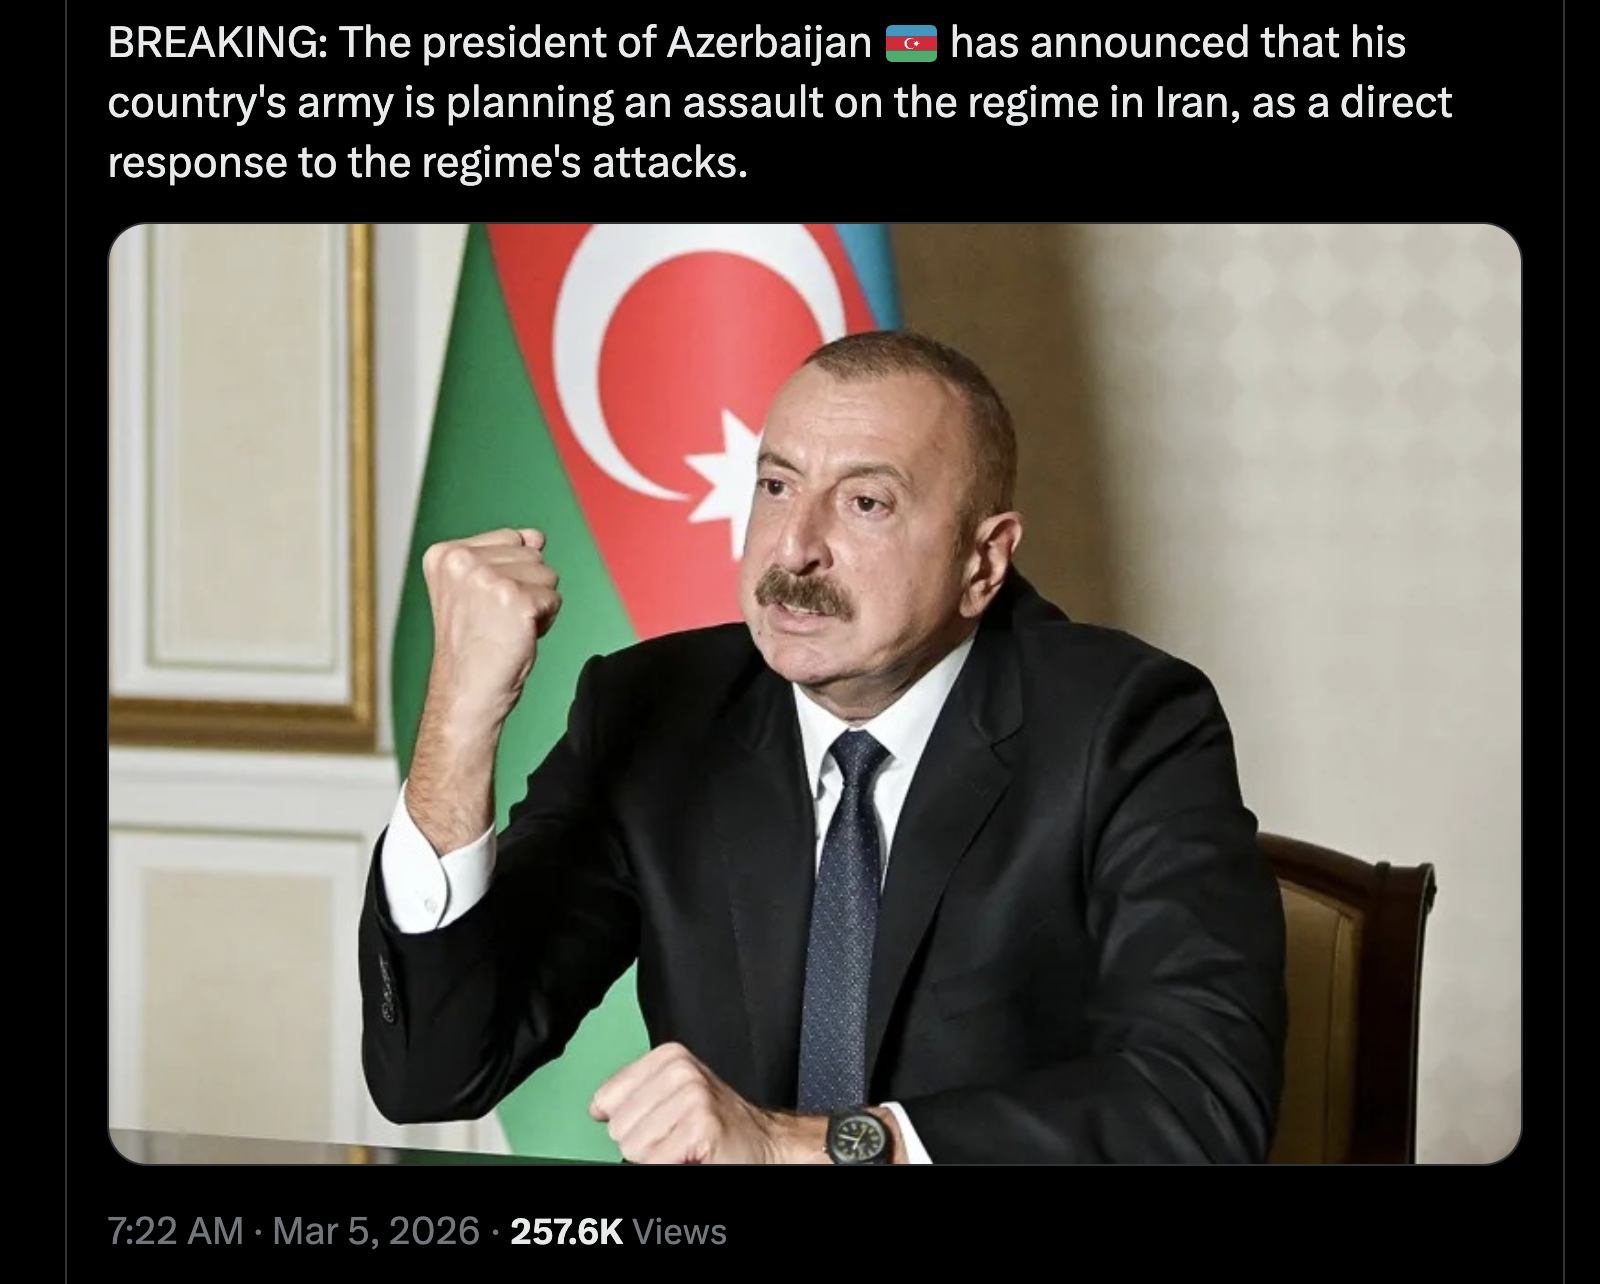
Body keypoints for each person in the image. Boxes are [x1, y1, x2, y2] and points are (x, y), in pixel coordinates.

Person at [360, 329, 1287, 1164]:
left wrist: (809, 1146)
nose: (794, 548)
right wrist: (459, 721)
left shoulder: (1127, 724)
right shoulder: (656, 708)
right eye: (776, 486)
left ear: (984, 562)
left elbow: (1200, 1106)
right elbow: (432, 1072)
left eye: (866, 503)